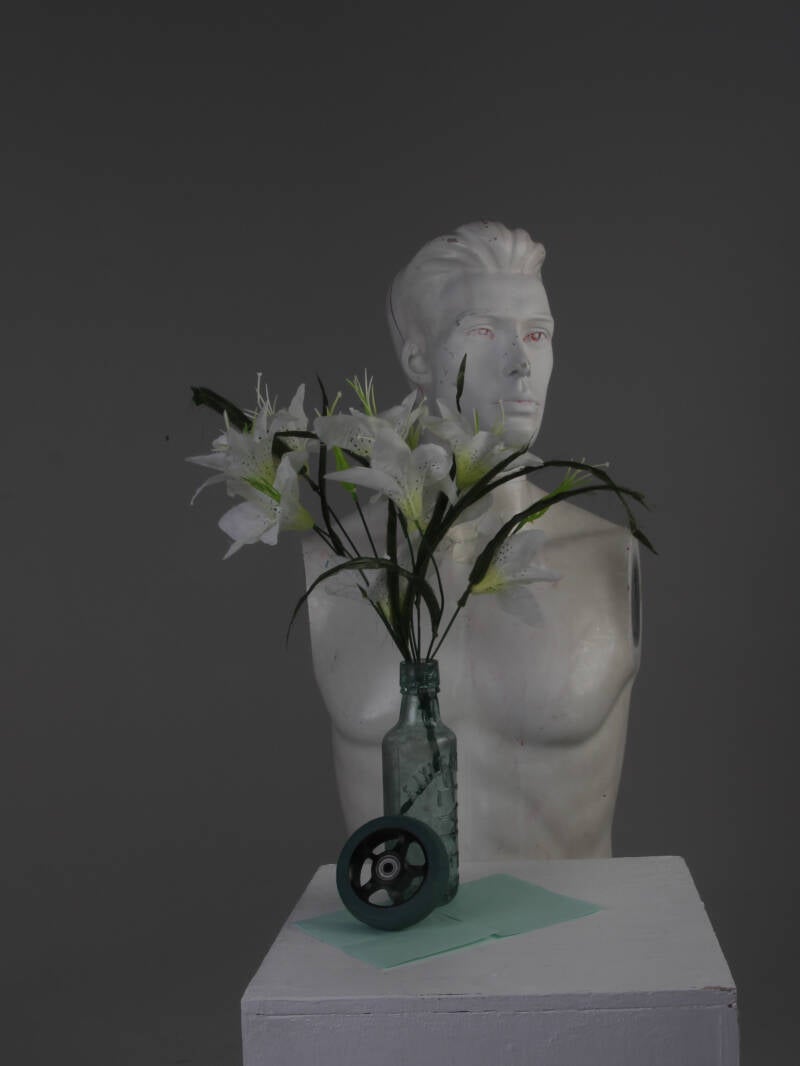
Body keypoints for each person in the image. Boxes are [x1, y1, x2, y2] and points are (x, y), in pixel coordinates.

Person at [303, 221, 641, 860]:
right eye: (484, 332)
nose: (520, 364)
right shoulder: (339, 556)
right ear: (417, 360)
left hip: (575, 925)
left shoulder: (604, 555)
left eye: (537, 335)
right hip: (398, 924)